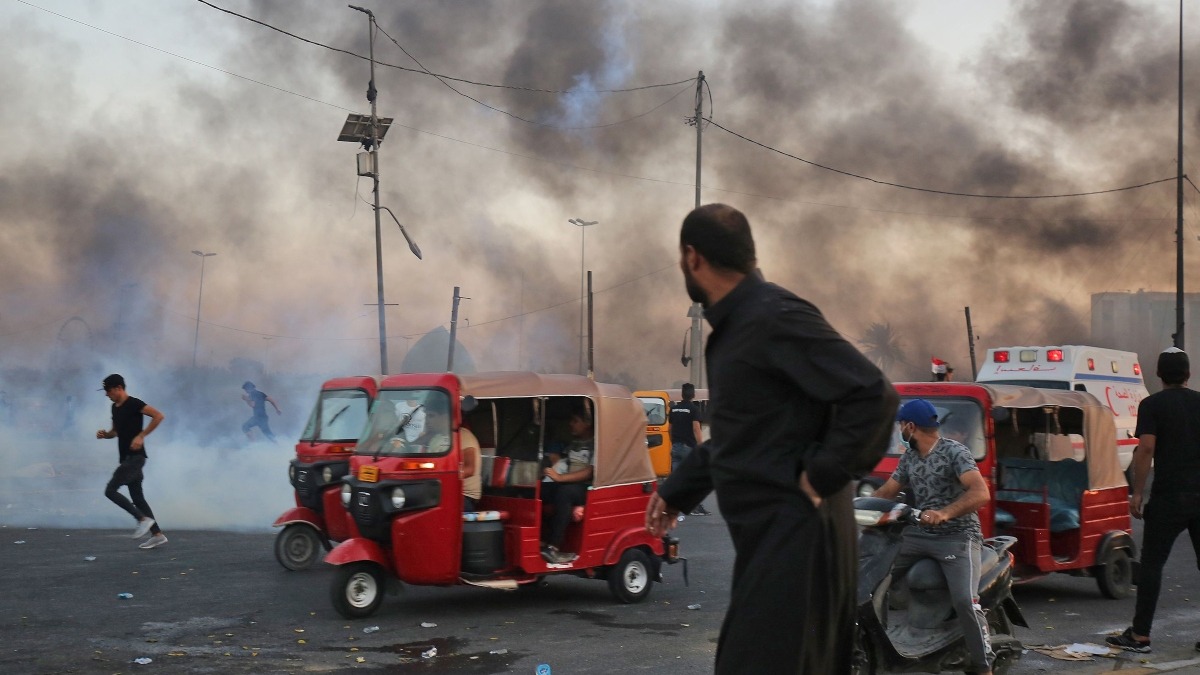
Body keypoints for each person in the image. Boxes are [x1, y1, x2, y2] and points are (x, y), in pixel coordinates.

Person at [645, 203, 898, 674]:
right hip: (771, 543)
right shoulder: (738, 329)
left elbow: (873, 393)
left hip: (800, 541)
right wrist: (678, 489)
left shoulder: (773, 317)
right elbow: (742, 433)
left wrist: (821, 475)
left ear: (692, 258)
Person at [872, 399, 994, 675]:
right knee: (874, 574)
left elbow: (980, 493)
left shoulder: (955, 452)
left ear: (910, 426)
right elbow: (887, 491)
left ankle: (983, 665)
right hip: (917, 535)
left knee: (965, 600)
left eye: (900, 427)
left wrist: (945, 513)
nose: (899, 432)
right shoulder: (910, 457)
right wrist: (854, 508)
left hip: (958, 536)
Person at [1106, 347, 1200, 654]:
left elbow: (1145, 449)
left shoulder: (1152, 405)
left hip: (1169, 497)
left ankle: (1141, 636)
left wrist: (1137, 491)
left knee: (1152, 566)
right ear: (1188, 374)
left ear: (1158, 374)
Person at [95, 374, 168, 550]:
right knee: (138, 498)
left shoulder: (134, 404)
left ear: (119, 388)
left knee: (110, 490)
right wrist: (106, 435)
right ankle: (157, 535)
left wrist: (141, 436)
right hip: (127, 458)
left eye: (108, 390)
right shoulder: (115, 408)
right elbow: (115, 431)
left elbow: (158, 416)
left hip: (136, 458)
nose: (106, 394)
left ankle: (142, 519)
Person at [540, 410, 595, 564]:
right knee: (541, 490)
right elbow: (564, 463)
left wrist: (560, 478)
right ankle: (541, 540)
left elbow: (589, 472)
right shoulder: (574, 443)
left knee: (565, 493)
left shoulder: (596, 444)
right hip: (569, 482)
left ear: (588, 423)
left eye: (575, 421)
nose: (571, 424)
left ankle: (554, 547)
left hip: (588, 488)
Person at [669, 383, 709, 516]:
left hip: (676, 447)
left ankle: (673, 506)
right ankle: (695, 507)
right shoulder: (693, 409)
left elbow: (670, 429)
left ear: (682, 394)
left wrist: (674, 443)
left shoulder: (673, 409)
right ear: (693, 395)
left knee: (676, 479)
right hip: (688, 449)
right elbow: (696, 429)